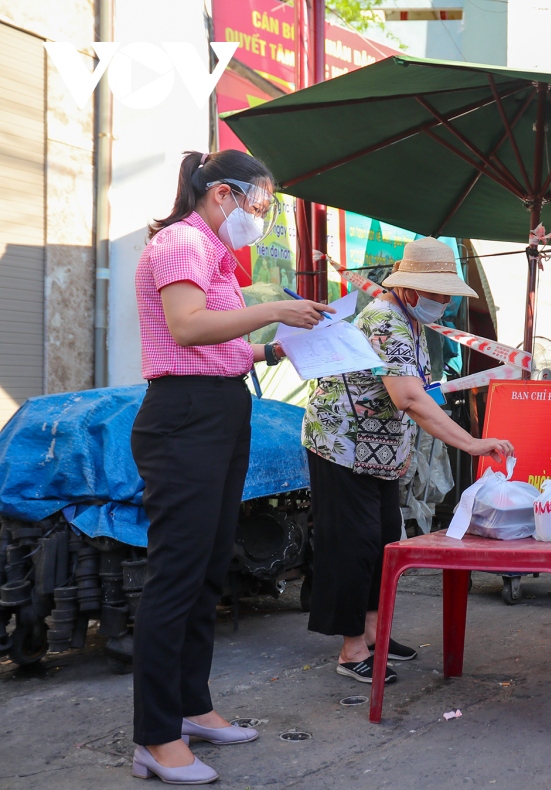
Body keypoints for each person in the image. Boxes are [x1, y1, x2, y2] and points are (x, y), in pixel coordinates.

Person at [131, 150, 330, 783]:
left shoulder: (212, 252)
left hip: (217, 409)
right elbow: (188, 329)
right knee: (177, 574)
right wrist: (274, 309)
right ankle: (155, 738)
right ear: (222, 195)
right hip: (184, 416)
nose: (262, 219)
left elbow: (217, 338)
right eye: (261, 205)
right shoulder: (183, 244)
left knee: (208, 568)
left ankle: (193, 707)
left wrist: (275, 344)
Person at [302, 236, 514, 684]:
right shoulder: (385, 320)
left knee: (382, 540)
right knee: (352, 545)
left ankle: (376, 635)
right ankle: (351, 648)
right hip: (343, 445)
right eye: (440, 296)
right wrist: (472, 443)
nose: (446, 304)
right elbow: (409, 396)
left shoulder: (409, 319)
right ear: (414, 291)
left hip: (379, 451)